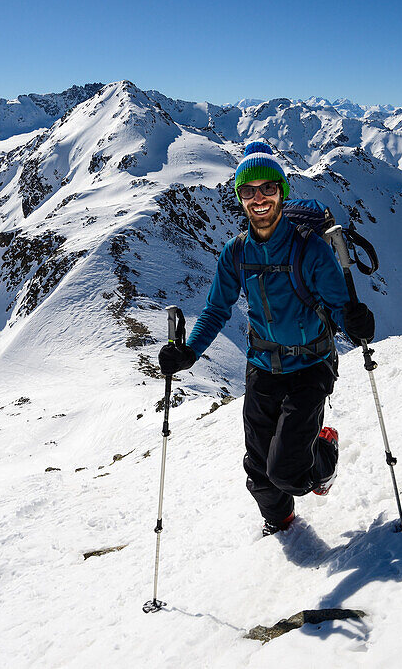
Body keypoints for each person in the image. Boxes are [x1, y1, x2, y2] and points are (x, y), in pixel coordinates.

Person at [159, 140, 375, 537]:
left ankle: (324, 453)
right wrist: (188, 352)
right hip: (261, 369)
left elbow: (340, 305)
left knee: (288, 472)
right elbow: (216, 310)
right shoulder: (235, 252)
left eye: (268, 188)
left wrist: (357, 323)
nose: (258, 198)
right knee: (259, 472)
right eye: (248, 190)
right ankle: (281, 521)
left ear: (282, 191)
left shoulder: (309, 249)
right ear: (239, 196)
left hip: (311, 367)